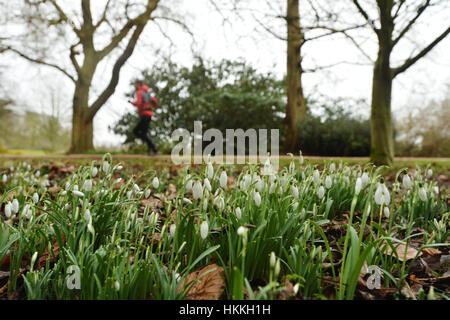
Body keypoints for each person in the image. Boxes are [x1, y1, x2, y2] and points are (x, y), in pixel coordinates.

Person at [128, 80, 158, 155]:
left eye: (134, 84)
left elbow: (139, 102)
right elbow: (154, 102)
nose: (134, 86)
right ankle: (151, 148)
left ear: (138, 84)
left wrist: (132, 102)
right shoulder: (146, 92)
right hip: (149, 115)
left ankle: (154, 149)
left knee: (136, 131)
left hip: (145, 114)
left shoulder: (139, 92)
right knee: (143, 133)